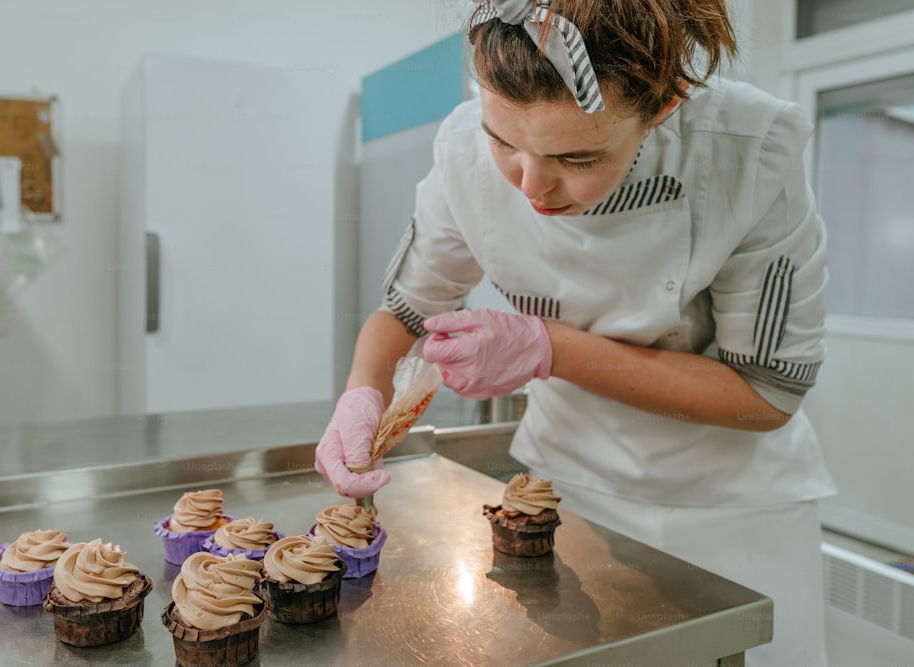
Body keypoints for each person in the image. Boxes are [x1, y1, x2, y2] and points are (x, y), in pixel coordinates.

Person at [315, 1, 836, 664]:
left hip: (730, 507)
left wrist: (550, 348)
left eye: (579, 157)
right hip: (560, 494)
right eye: (502, 140)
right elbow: (403, 314)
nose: (531, 185)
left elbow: (765, 395)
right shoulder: (460, 149)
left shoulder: (749, 154)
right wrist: (362, 391)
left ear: (666, 104)